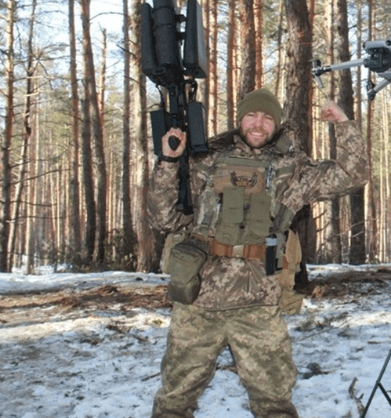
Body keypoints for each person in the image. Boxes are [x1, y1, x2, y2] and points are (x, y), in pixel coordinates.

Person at [148, 87, 370, 418]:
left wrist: (343, 124)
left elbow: (354, 174)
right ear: (240, 119)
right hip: (198, 301)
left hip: (258, 304)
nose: (258, 123)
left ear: (276, 124)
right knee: (174, 401)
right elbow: (163, 218)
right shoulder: (204, 159)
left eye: (267, 117)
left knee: (274, 403)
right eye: (251, 115)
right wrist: (168, 161)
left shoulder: (292, 169)